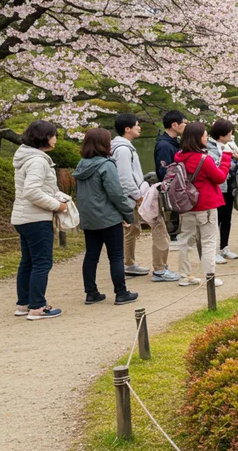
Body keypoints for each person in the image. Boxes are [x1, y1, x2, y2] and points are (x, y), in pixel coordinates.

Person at [73, 127, 138, 305]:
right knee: (116, 256)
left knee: (91, 256)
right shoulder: (106, 165)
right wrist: (128, 214)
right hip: (108, 218)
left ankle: (91, 292)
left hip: (89, 218)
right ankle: (121, 293)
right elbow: (116, 194)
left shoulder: (81, 165)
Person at [11, 120, 68, 320]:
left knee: (28, 262)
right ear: (44, 137)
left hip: (23, 217)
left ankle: (24, 303)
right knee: (42, 262)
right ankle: (37, 307)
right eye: (54, 135)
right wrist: (57, 205)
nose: (55, 139)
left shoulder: (27, 157)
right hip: (35, 218)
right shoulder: (38, 161)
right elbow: (32, 191)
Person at [173, 122, 233, 286]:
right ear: (199, 138)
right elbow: (220, 177)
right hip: (205, 205)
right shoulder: (203, 159)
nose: (207, 138)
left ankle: (184, 276)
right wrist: (226, 158)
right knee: (208, 242)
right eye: (205, 135)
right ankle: (210, 277)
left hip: (186, 204)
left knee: (185, 241)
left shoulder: (179, 156)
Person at [111, 113, 151, 277]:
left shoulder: (123, 147)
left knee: (133, 228)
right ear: (127, 129)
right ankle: (128, 263)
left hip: (129, 195)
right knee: (131, 229)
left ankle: (128, 262)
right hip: (128, 197)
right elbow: (125, 176)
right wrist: (137, 196)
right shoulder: (123, 150)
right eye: (137, 125)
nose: (139, 127)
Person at [148, 110, 185, 280]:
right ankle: (160, 269)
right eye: (183, 122)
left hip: (173, 189)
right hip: (167, 191)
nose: (185, 125)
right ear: (174, 124)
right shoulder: (164, 145)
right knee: (162, 230)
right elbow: (164, 171)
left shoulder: (172, 142)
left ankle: (162, 267)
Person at [207, 119, 238, 262]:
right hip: (218, 188)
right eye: (229, 133)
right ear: (221, 135)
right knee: (216, 219)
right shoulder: (211, 148)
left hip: (229, 187)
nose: (231, 135)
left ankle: (224, 247)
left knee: (227, 218)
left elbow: (231, 167)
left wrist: (237, 160)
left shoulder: (228, 146)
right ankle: (213, 251)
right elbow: (216, 168)